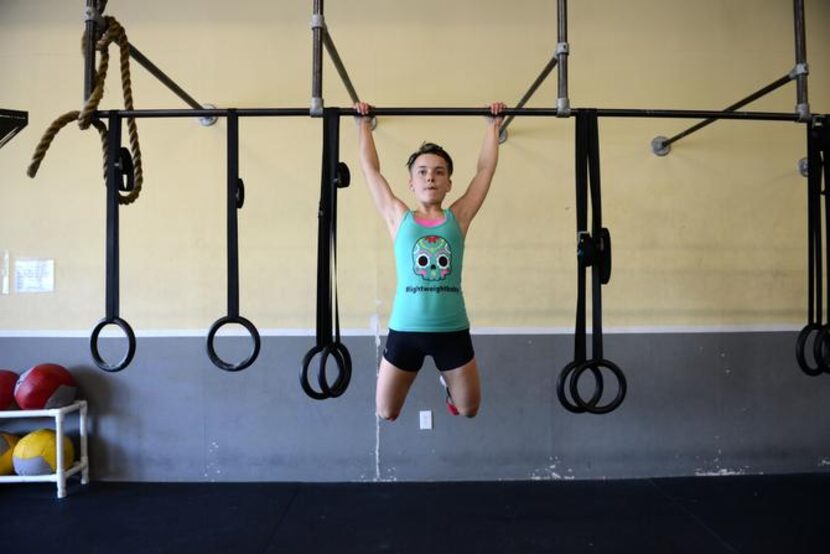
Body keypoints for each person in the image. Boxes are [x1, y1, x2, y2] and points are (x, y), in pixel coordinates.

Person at [354, 101, 506, 421]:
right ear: (411, 182)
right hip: (405, 329)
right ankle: (441, 378)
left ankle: (449, 388)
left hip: (452, 329)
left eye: (439, 172)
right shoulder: (399, 218)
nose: (430, 178)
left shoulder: (459, 218)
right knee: (386, 413)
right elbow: (371, 170)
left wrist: (492, 126)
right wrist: (362, 125)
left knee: (468, 409)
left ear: (449, 183)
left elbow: (485, 171)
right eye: (422, 172)